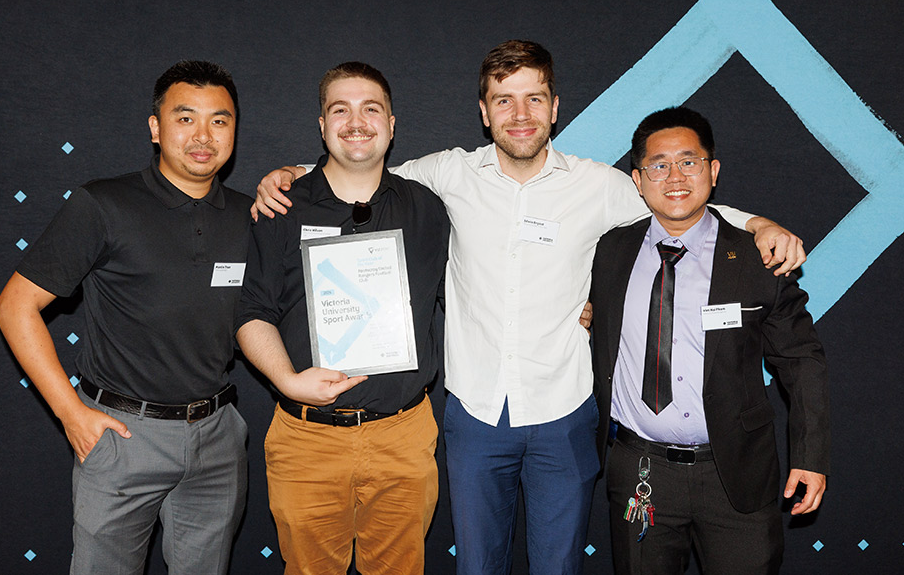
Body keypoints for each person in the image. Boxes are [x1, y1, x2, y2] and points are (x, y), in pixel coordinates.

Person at [253, 41, 805, 574]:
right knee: (477, 565)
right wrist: (292, 174)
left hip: (563, 412)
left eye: (534, 98)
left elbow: (678, 200)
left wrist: (757, 223)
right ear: (484, 112)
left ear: (555, 108)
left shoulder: (598, 185)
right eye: (503, 100)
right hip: (475, 415)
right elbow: (358, 168)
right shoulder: (446, 175)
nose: (520, 115)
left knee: (557, 566)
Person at [0, 60, 251, 574]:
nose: (203, 135)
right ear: (155, 128)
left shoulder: (252, 215)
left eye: (219, 120)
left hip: (218, 438)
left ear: (234, 130)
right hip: (123, 438)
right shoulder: (103, 203)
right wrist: (71, 413)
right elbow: (15, 307)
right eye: (185, 118)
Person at [589, 107, 830, 575]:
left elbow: (802, 361)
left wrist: (810, 456)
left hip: (735, 474)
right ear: (638, 180)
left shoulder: (757, 259)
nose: (674, 176)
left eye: (689, 161)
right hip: (642, 472)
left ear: (713, 171)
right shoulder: (608, 253)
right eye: (658, 165)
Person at [235, 62, 449, 575]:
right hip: (307, 439)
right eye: (341, 110)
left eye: (371, 108)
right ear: (322, 125)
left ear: (392, 125)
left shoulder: (429, 209)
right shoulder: (281, 206)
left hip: (403, 436)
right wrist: (287, 380)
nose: (357, 121)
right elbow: (251, 312)